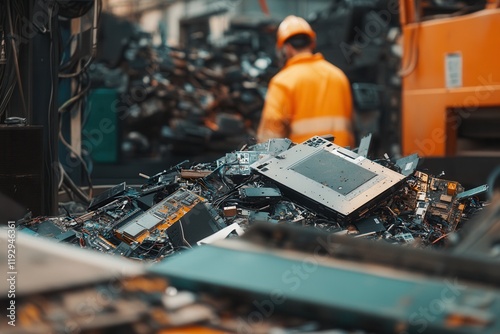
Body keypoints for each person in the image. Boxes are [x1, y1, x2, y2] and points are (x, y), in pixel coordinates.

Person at [257, 15, 355, 147]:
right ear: (312, 43)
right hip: (344, 161)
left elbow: (270, 135)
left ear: (286, 48)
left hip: (301, 165)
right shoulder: (338, 76)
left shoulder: (282, 81)